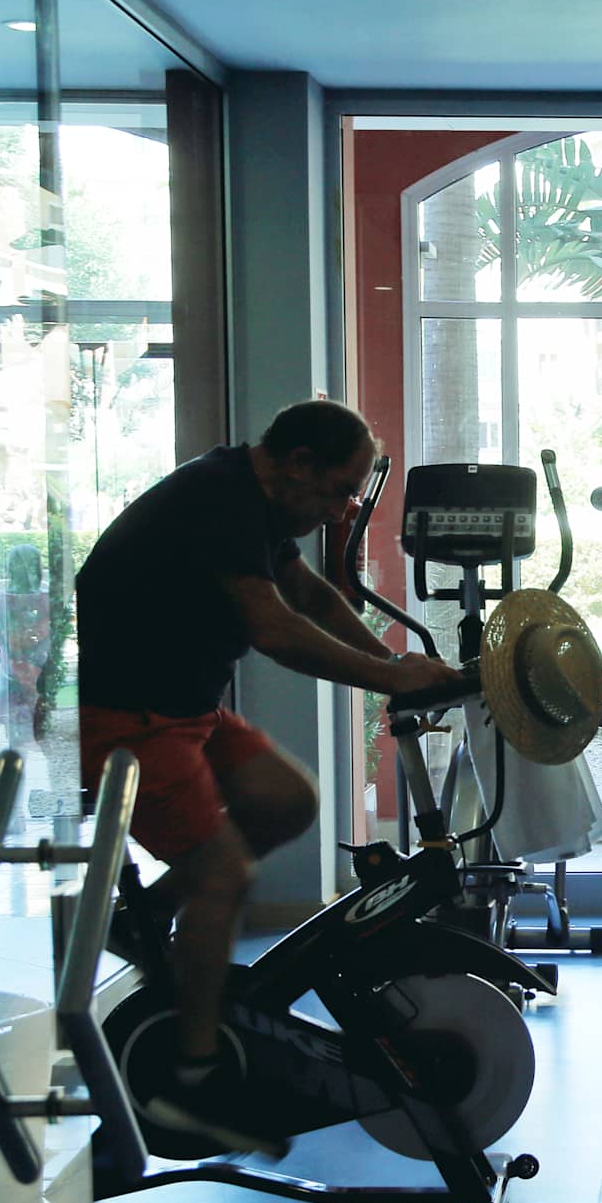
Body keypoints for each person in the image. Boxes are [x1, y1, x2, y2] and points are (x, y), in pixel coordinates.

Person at [77, 398, 463, 1153]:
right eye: (340, 490)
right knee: (223, 877)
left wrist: (394, 668)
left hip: (184, 710)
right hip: (128, 722)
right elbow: (275, 629)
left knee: (286, 802)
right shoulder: (217, 500)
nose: (344, 509)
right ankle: (191, 1080)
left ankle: (144, 918)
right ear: (297, 465)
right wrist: (390, 678)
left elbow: (309, 595)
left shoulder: (256, 500)